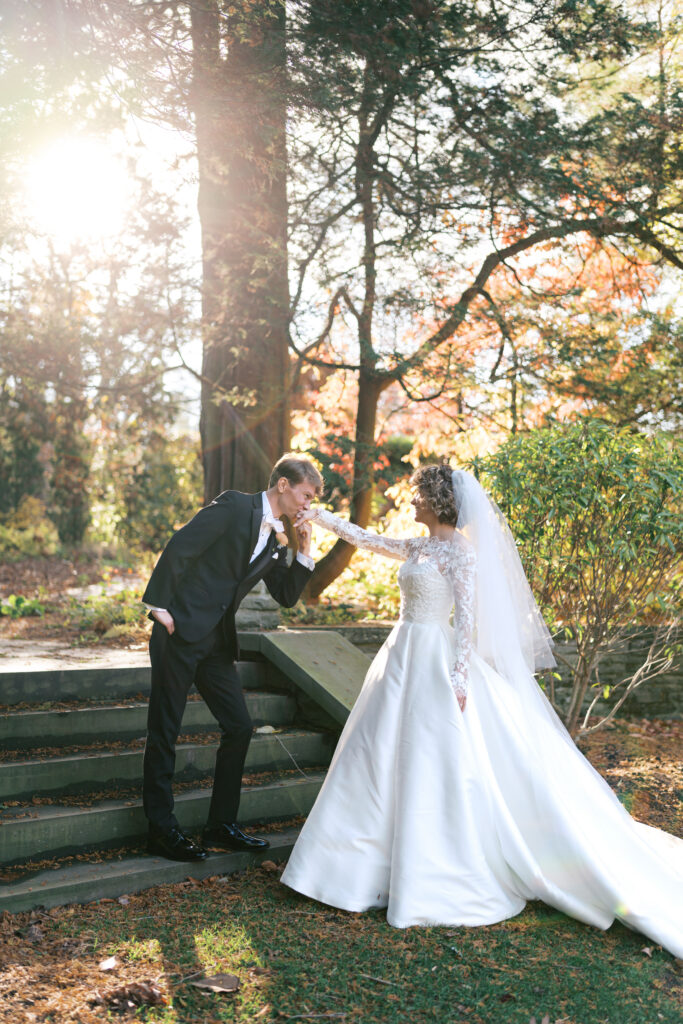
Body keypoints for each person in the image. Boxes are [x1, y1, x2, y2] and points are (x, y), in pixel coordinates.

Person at [281, 465, 683, 957]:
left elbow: (467, 619)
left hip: (435, 661)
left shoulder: (461, 553)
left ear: (437, 500)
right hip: (400, 656)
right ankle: (352, 868)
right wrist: (317, 515)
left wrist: (458, 677)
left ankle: (432, 866)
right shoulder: (418, 545)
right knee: (374, 755)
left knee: (432, 759)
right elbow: (365, 538)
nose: (411, 502)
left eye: (417, 495)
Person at [141, 454, 322, 863]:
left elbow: (286, 596)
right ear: (283, 486)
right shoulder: (234, 505)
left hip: (217, 645)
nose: (307, 504)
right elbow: (181, 545)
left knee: (239, 726)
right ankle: (161, 829)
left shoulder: (278, 537)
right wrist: (158, 606)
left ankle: (220, 824)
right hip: (178, 633)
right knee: (165, 731)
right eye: (305, 495)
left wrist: (304, 551)